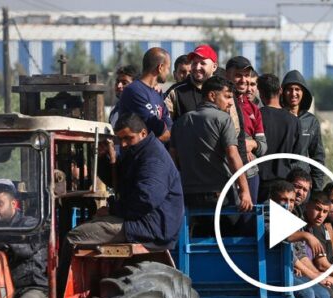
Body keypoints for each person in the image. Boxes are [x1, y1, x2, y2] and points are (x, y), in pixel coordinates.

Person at [67, 113, 183, 249]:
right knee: (87, 225)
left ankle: (60, 271)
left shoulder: (154, 159)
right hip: (139, 221)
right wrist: (104, 159)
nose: (123, 144)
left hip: (149, 226)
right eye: (120, 139)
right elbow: (116, 181)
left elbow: (145, 199)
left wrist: (112, 210)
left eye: (128, 138)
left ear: (143, 133)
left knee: (74, 237)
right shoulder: (136, 153)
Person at [169, 76, 252, 212]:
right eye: (227, 97)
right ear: (212, 95)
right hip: (219, 194)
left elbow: (172, 159)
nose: (230, 103)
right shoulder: (223, 119)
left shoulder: (180, 122)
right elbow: (233, 156)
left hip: (188, 195)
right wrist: (245, 191)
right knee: (239, 228)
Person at [256, 73, 306, 198]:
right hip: (283, 185)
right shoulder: (294, 121)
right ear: (280, 91)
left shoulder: (257, 116)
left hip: (259, 183)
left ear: (260, 93)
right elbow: (296, 155)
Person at [226, 56, 266, 205]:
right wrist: (240, 145)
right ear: (227, 75)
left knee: (248, 221)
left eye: (246, 75)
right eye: (238, 75)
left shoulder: (254, 109)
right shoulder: (220, 102)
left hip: (250, 173)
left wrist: (253, 144)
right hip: (225, 174)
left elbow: (263, 146)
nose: (243, 80)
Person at [281, 70, 326, 191]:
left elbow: (317, 156)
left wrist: (317, 189)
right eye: (289, 89)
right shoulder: (277, 117)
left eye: (297, 89)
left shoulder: (311, 121)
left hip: (303, 183)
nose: (293, 93)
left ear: (303, 92)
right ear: (283, 92)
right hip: (281, 181)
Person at [117, 48, 172, 143]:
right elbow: (158, 129)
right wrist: (166, 133)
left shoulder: (157, 93)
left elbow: (169, 124)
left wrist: (168, 132)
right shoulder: (134, 91)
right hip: (139, 156)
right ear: (160, 67)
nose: (168, 72)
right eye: (168, 68)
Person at [165, 44, 218, 121]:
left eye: (203, 63)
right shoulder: (176, 92)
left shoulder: (224, 91)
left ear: (214, 67)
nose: (197, 67)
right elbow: (164, 123)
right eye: (194, 63)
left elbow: (234, 125)